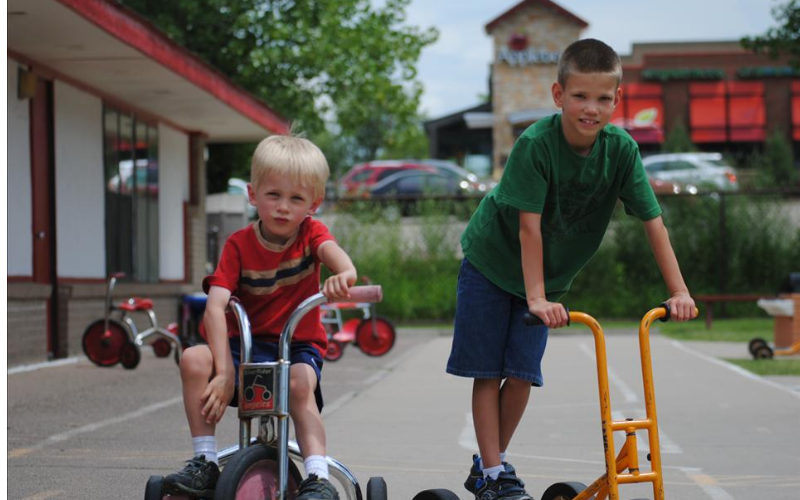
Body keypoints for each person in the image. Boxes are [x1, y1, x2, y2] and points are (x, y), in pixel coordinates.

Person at [446, 38, 696, 500]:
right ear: (559, 95)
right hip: (492, 263)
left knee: (522, 373)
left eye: (603, 99)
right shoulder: (535, 146)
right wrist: (537, 298)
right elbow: (528, 229)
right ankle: (495, 471)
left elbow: (653, 222)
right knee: (488, 370)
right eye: (580, 96)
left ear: (617, 101)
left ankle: (489, 468)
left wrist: (679, 291)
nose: (591, 109)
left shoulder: (620, 151)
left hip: (547, 278)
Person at [163, 135, 357, 500]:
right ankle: (204, 462)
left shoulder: (311, 234)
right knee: (192, 359)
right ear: (253, 195)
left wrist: (343, 275)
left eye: (296, 198)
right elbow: (216, 306)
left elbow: (340, 260)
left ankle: (317, 477)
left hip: (296, 347)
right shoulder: (238, 245)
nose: (283, 207)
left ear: (313, 204)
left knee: (300, 384)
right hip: (244, 349)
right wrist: (223, 372)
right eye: (273, 195)